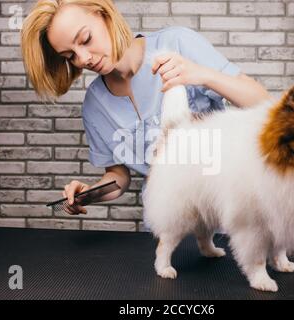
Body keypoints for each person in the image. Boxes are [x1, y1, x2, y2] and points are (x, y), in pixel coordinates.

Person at [20, 0, 270, 215]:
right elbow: (118, 176)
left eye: (85, 39)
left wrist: (202, 74)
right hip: (167, 219)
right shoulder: (95, 105)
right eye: (70, 56)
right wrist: (91, 193)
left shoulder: (178, 43)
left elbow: (263, 104)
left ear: (104, 14)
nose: (83, 59)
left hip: (227, 211)